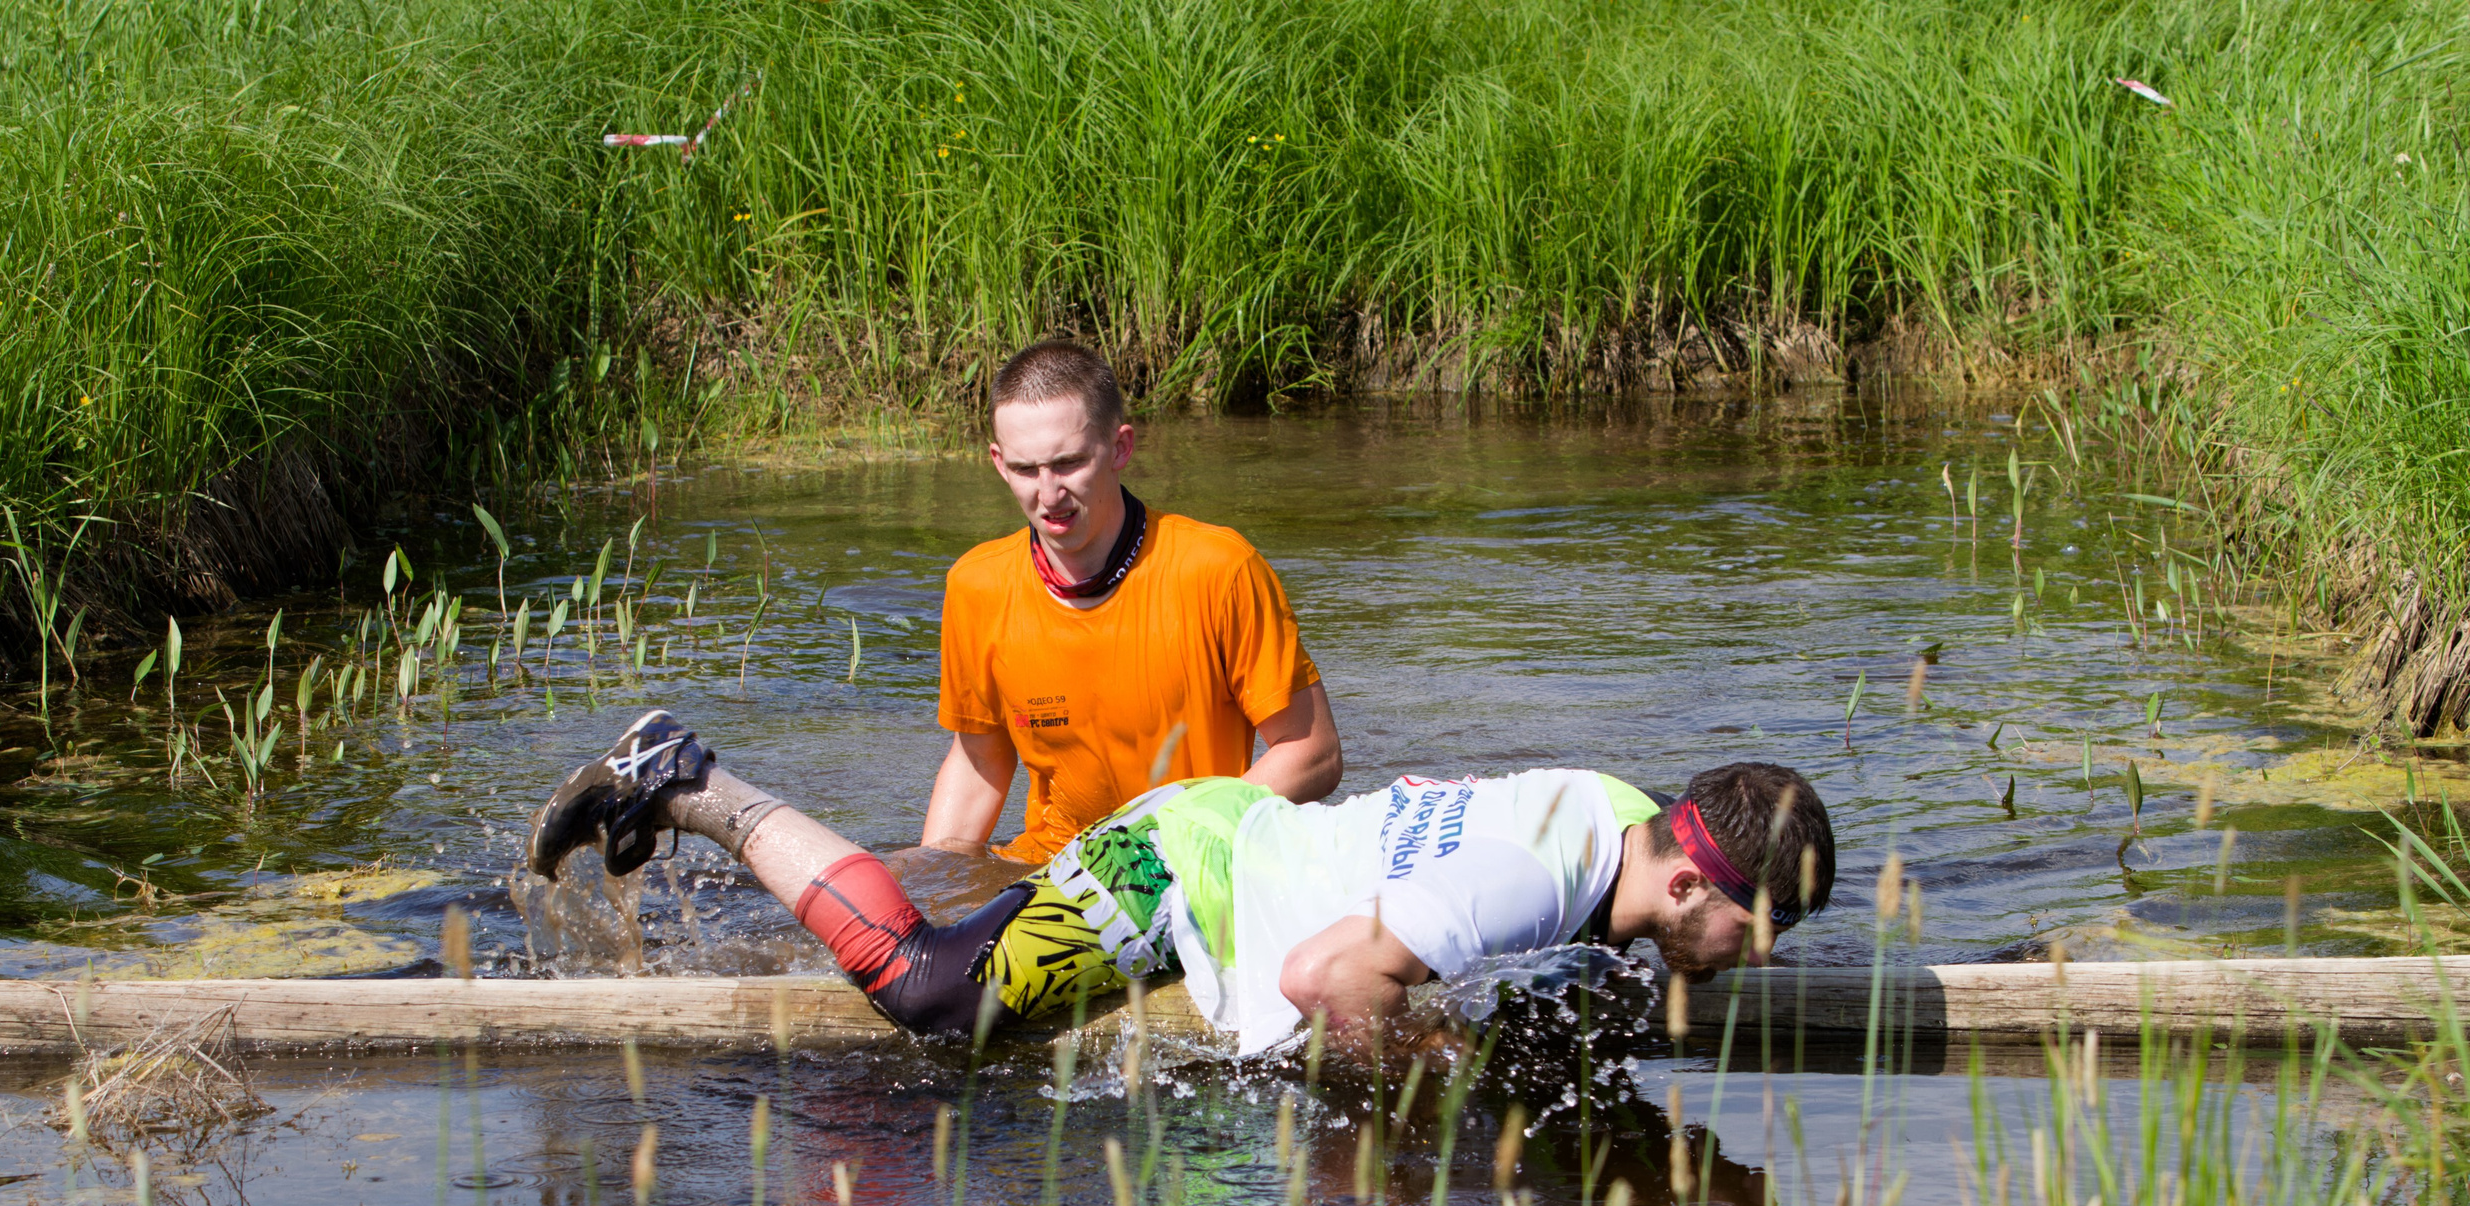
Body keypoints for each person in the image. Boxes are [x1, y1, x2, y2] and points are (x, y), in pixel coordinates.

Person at [526, 711, 1836, 1056]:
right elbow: (1324, 981)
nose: (1766, 954)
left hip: (1242, 838)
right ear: (1687, 884)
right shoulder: (1537, 878)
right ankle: (691, 782)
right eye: (1761, 924)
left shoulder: (1624, 814)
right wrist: (1428, 1076)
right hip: (1179, 868)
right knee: (926, 990)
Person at [921, 339, 1342, 864]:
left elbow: (1313, 751)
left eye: (1069, 463)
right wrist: (930, 884)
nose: (1048, 495)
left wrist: (1180, 840)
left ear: (1120, 448)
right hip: (1054, 868)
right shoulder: (976, 585)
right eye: (1026, 469)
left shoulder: (1218, 569)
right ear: (999, 463)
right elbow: (979, 761)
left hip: (1190, 861)